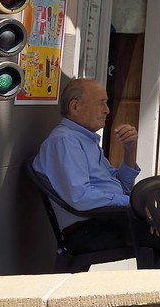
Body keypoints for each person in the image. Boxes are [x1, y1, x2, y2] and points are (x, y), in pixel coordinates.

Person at [32, 77, 142, 258]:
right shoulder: (65, 141)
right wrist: (135, 205)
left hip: (108, 219)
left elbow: (122, 187)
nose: (107, 110)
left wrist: (129, 150)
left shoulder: (85, 139)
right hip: (89, 228)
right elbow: (81, 197)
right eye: (101, 103)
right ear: (75, 107)